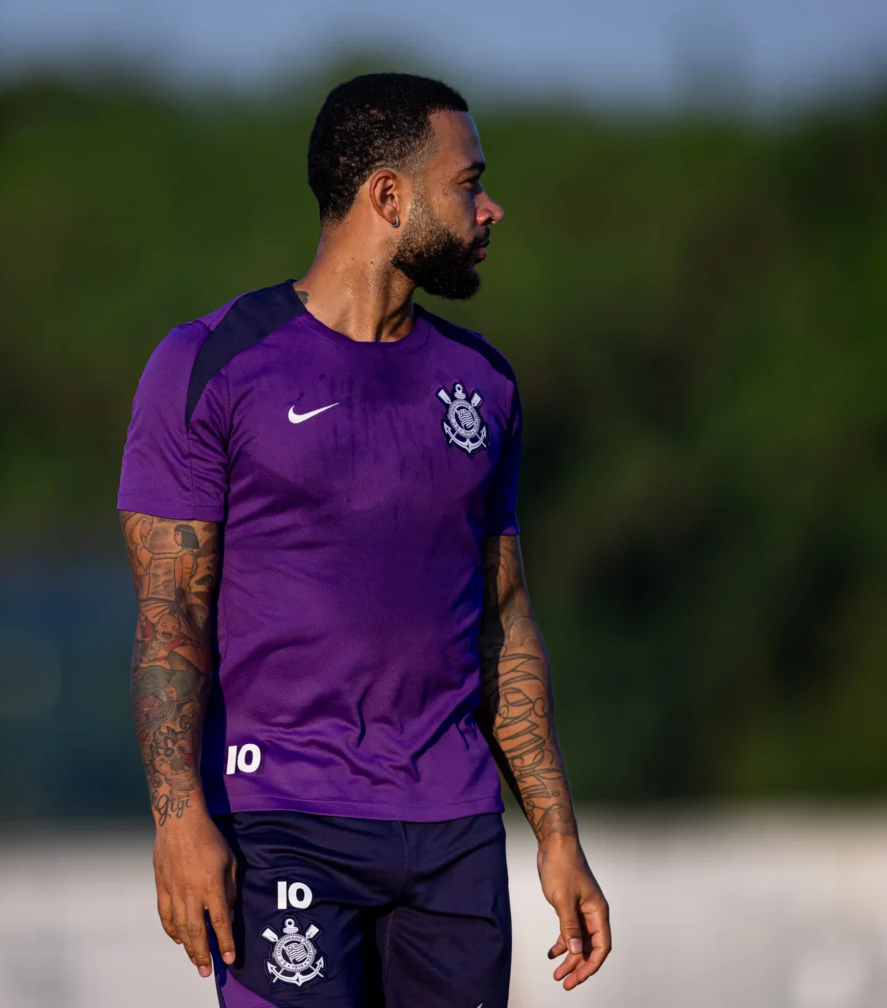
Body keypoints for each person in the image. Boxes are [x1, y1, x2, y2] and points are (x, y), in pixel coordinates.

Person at [118, 72, 610, 1008]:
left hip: (455, 834)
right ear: (388, 196)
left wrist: (557, 836)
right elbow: (170, 610)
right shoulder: (209, 362)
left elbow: (504, 620)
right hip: (281, 820)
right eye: (469, 183)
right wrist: (177, 817)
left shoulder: (485, 384)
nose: (491, 209)